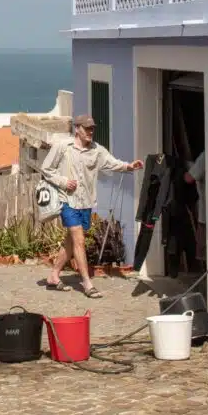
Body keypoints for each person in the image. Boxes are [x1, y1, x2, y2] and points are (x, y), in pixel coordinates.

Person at [41, 114, 143, 298]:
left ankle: (54, 275)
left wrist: (129, 166)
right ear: (77, 129)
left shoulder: (97, 150)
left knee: (71, 241)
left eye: (92, 128)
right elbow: (46, 169)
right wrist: (63, 182)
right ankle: (87, 283)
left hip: (86, 202)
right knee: (79, 241)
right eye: (87, 128)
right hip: (67, 200)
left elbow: (112, 163)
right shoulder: (63, 147)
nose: (90, 131)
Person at [184, 150, 206, 261]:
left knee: (203, 249)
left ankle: (207, 277)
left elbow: (189, 178)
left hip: (205, 213)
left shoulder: (205, 156)